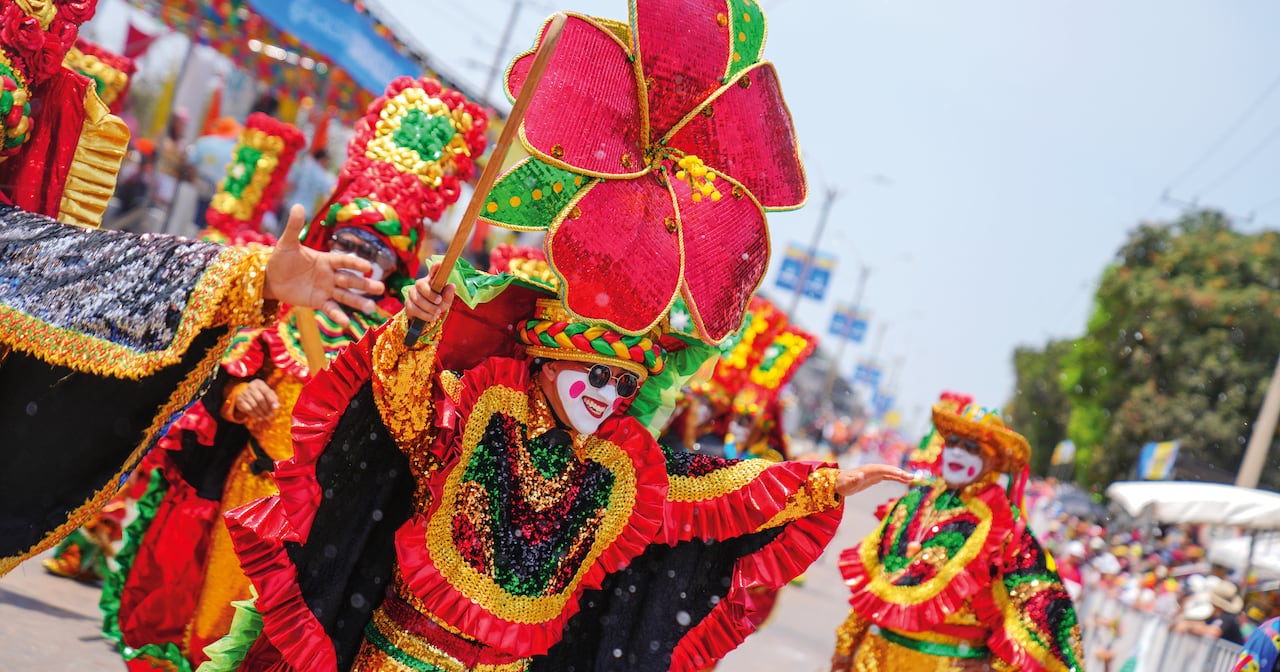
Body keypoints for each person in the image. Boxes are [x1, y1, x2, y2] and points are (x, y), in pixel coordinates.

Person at [196, 266, 911, 672]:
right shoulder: (471, 416)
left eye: (623, 385)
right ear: (545, 362)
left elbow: (703, 487)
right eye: (592, 375)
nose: (606, 397)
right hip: (398, 658)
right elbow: (402, 395)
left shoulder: (618, 470)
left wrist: (824, 481)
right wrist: (416, 325)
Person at [102, 77, 489, 671]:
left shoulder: (394, 339)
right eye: (349, 242)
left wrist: (420, 328)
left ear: (399, 266)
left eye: (377, 253)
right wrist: (239, 395)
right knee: (211, 628)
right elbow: (218, 380)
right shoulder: (284, 306)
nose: (359, 261)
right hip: (250, 490)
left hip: (322, 520)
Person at [0, 203, 386, 577]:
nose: (353, 256)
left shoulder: (386, 338)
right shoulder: (291, 318)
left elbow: (59, 261)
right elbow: (45, 264)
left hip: (311, 508)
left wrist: (255, 278)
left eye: (369, 252)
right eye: (345, 242)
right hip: (245, 477)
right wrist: (239, 390)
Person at [830, 400, 1084, 672]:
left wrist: (993, 666)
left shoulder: (1006, 526)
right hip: (873, 659)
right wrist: (845, 647)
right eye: (954, 443)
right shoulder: (913, 502)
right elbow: (873, 586)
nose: (959, 453)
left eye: (972, 447)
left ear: (994, 460)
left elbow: (1041, 609)